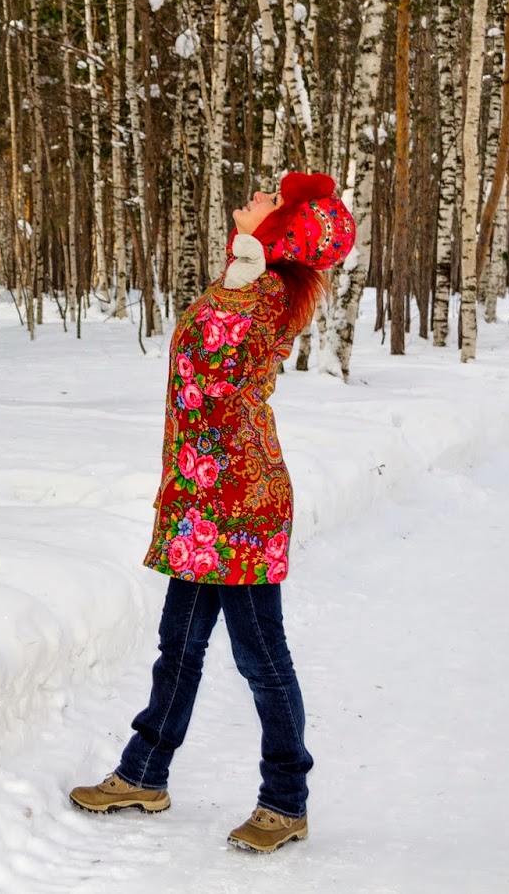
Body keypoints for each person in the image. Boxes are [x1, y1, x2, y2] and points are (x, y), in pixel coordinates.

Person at [69, 171, 356, 854]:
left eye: (267, 200)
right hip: (201, 501)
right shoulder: (243, 279)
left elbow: (223, 362)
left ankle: (285, 801)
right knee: (181, 647)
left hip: (244, 505)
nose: (252, 196)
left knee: (262, 659)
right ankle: (144, 773)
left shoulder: (267, 294)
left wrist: (252, 253)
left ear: (280, 229)